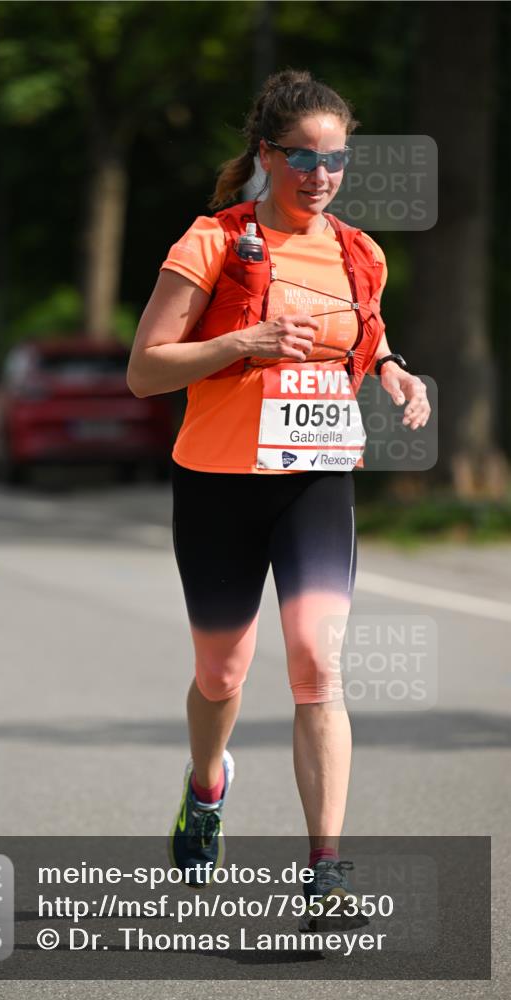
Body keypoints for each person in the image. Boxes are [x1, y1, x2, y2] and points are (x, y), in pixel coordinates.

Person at [126, 68, 430, 917]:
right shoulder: (211, 242)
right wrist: (244, 341)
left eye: (335, 159)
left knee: (316, 665)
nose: (320, 175)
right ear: (266, 155)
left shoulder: (359, 252)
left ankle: (325, 868)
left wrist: (394, 372)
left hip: (315, 480)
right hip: (219, 484)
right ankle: (205, 786)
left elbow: (361, 335)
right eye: (302, 157)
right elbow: (145, 370)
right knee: (221, 672)